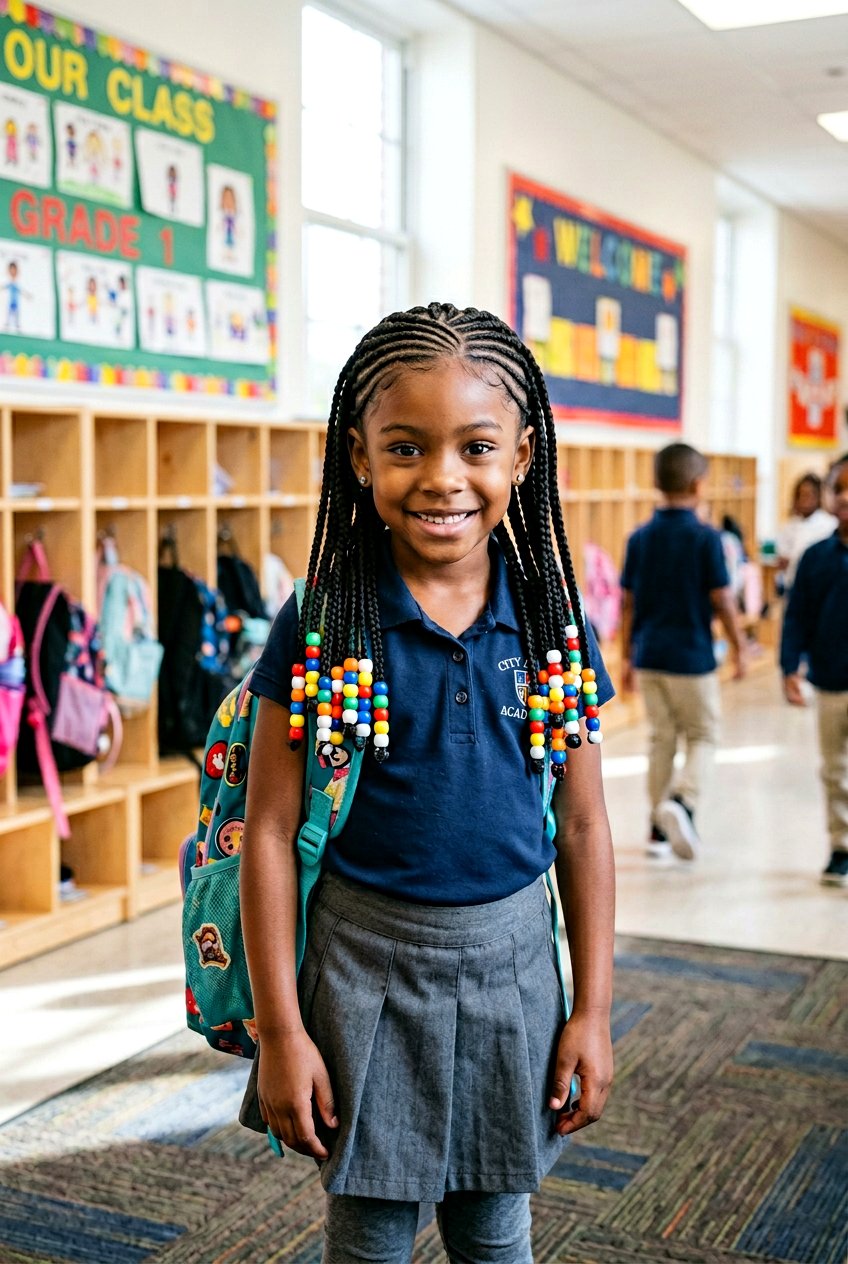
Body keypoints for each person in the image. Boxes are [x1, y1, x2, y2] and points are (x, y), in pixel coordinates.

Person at [239, 302, 616, 1264]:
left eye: (476, 447)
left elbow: (581, 827)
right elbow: (270, 833)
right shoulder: (326, 624)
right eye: (405, 447)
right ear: (359, 459)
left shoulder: (550, 623)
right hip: (363, 969)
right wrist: (282, 1031)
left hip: (514, 971)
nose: (443, 479)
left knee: (496, 1232)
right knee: (370, 1235)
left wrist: (596, 1009)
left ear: (523, 458)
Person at [620, 443, 745, 861]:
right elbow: (723, 600)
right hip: (693, 659)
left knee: (661, 739)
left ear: (656, 482)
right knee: (704, 734)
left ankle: (657, 830)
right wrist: (742, 647)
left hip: (651, 655)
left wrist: (625, 657)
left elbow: (627, 604)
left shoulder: (639, 538)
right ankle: (683, 801)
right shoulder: (707, 539)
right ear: (698, 484)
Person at [780, 453, 848, 887]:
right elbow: (797, 616)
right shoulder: (816, 555)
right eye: (838, 489)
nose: (844, 498)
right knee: (835, 767)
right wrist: (790, 666)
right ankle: (841, 846)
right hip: (831, 680)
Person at [776, 473, 837, 594]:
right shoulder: (790, 525)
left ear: (818, 497)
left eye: (809, 495)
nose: (805, 500)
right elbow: (782, 557)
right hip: (793, 586)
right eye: (802, 495)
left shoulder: (829, 525)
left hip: (820, 588)